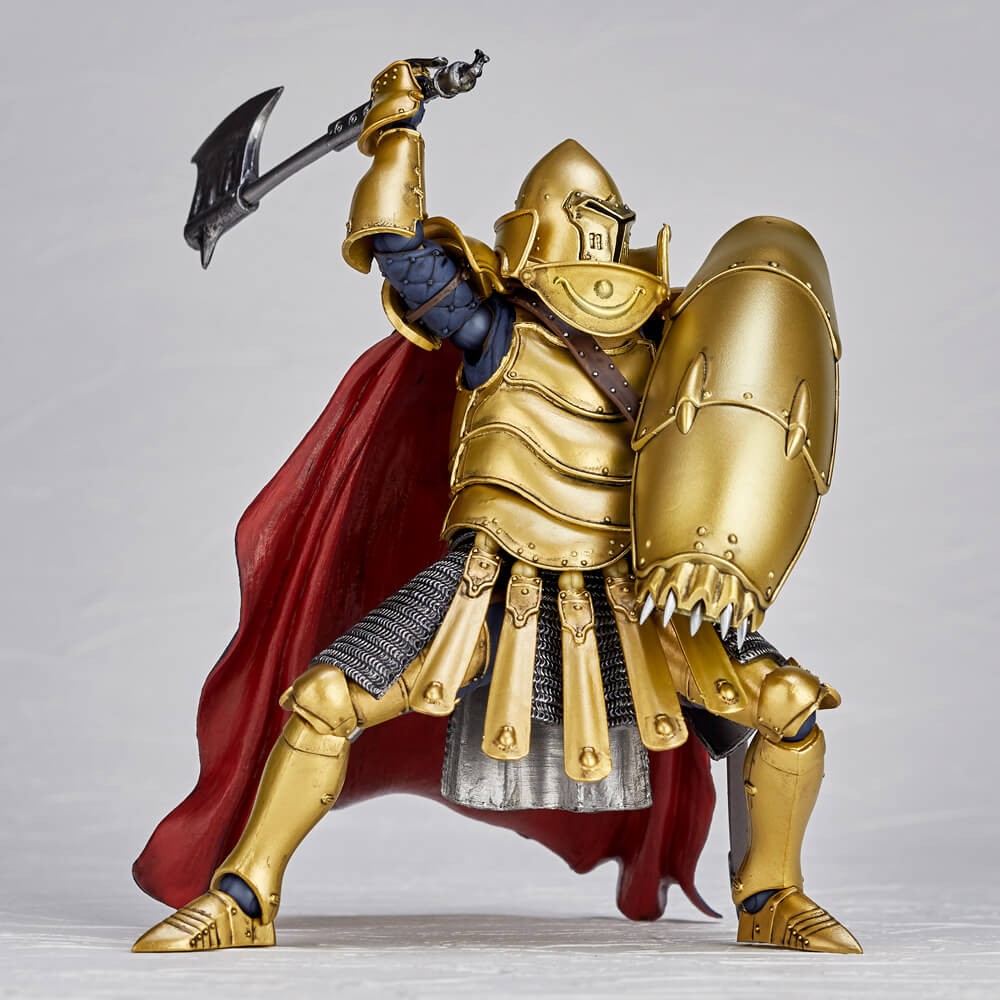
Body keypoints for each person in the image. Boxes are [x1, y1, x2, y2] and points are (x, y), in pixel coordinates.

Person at [133, 61, 860, 955]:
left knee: (786, 701)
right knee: (326, 697)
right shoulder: (497, 328)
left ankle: (772, 895)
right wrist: (397, 135)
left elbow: (735, 414)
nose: (603, 244)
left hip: (631, 594)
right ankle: (245, 896)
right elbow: (400, 248)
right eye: (591, 224)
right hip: (487, 582)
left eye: (611, 226)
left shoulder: (671, 341)